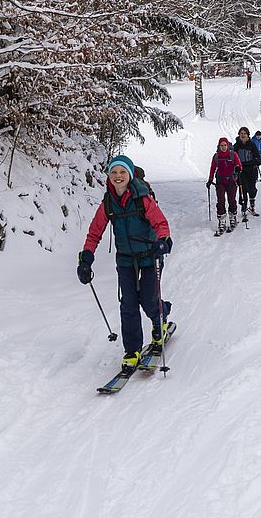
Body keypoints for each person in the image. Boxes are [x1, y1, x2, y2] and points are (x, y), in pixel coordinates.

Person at [78, 155, 173, 371]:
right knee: (128, 305)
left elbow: (161, 223)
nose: (118, 176)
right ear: (109, 177)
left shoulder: (143, 198)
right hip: (126, 260)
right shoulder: (108, 203)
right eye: (114, 173)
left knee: (149, 300)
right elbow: (94, 232)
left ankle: (160, 323)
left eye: (122, 172)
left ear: (129, 175)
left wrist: (163, 241)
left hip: (150, 256)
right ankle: (132, 350)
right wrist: (86, 258)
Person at [206, 137, 242, 233]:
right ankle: (221, 221)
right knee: (220, 201)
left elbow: (239, 164)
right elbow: (213, 168)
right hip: (220, 181)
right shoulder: (216, 156)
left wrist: (238, 168)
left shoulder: (233, 154)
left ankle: (233, 218)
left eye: (225, 145)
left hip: (231, 181)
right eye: (221, 145)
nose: (223, 147)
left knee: (231, 200)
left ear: (228, 145)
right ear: (219, 146)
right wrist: (210, 179)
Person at [232, 126, 261, 217]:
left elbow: (258, 157)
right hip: (241, 171)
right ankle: (244, 207)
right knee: (243, 189)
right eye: (241, 133)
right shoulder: (236, 146)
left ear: (248, 135)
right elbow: (233, 158)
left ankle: (252, 206)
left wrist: (256, 162)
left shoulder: (252, 145)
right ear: (239, 135)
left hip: (252, 170)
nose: (243, 135)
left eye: (244, 133)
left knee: (252, 189)